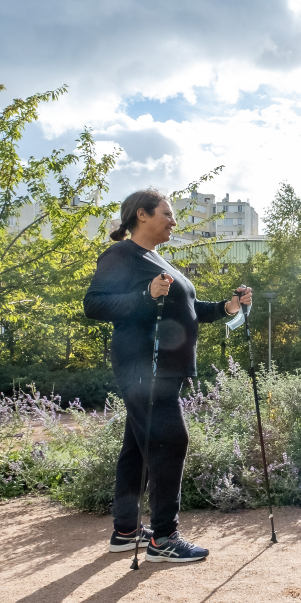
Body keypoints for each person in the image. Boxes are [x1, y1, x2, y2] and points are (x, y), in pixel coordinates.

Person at [84, 189, 252, 564]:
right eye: (168, 214)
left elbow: (189, 309)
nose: (174, 222)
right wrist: (145, 293)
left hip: (165, 371)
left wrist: (228, 307)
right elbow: (93, 305)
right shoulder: (121, 255)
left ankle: (126, 530)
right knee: (170, 441)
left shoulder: (156, 258)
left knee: (137, 448)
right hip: (144, 367)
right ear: (141, 215)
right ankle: (164, 537)